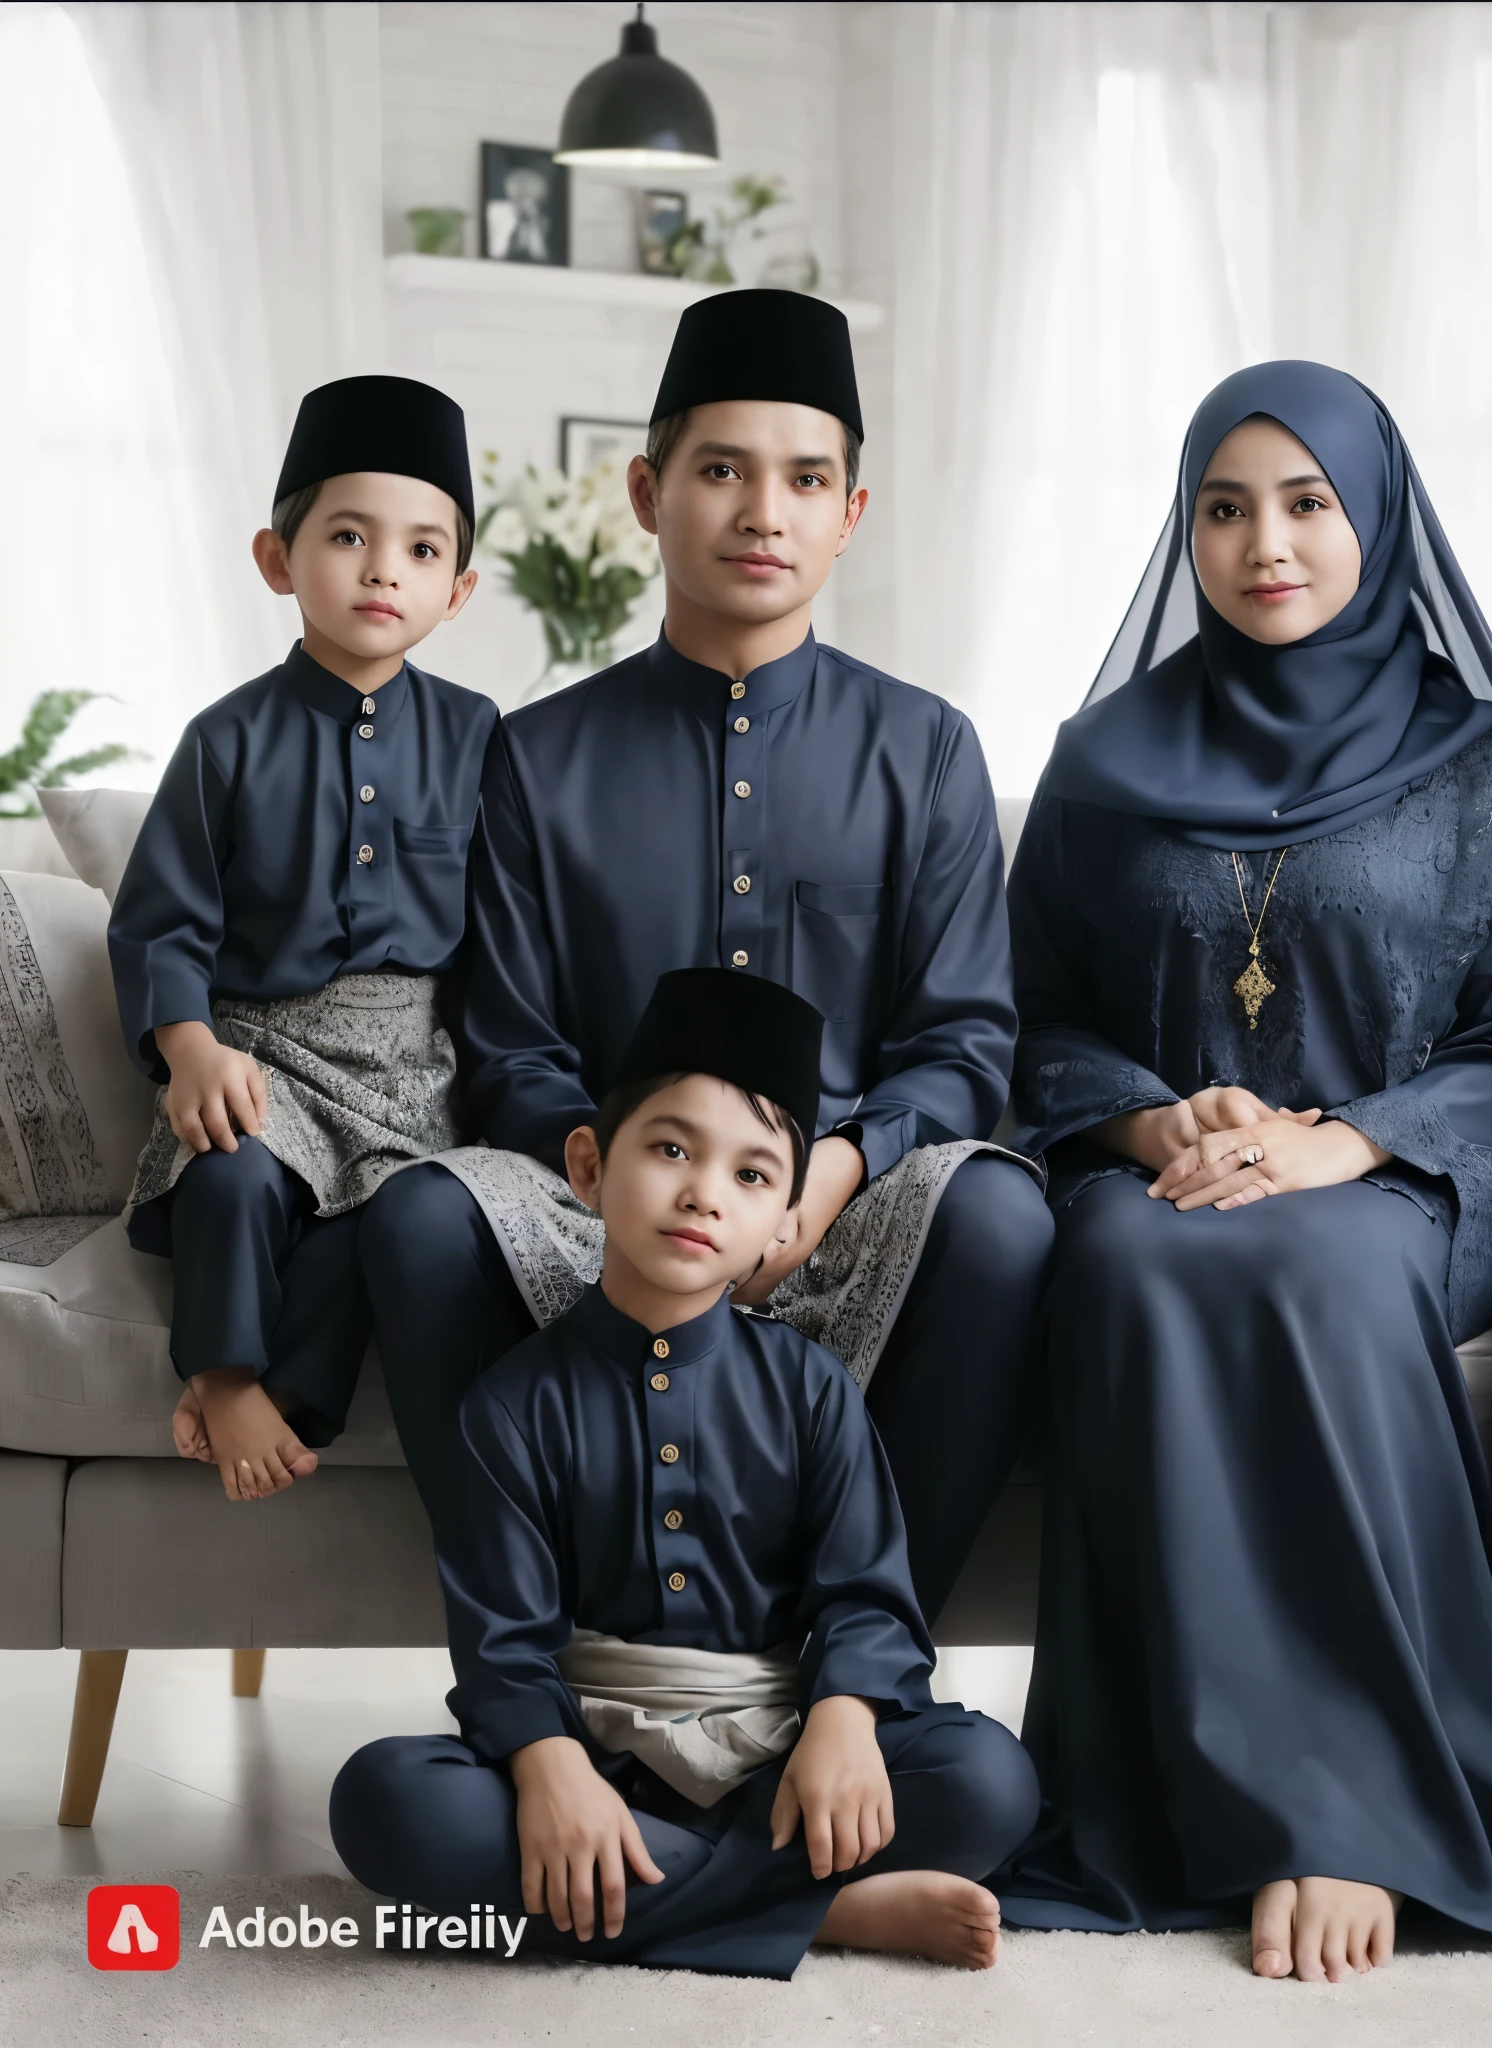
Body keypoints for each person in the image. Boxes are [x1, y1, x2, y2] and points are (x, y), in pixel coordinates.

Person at [995, 362, 1492, 1980]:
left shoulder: (1491, 770)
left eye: (1308, 501)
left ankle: (1352, 1810)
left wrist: (1345, 1139)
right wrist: (1144, 1120)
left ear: (1376, 517)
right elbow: (1027, 1011)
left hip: (1390, 1185)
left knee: (1321, 1264)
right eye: (1224, 506)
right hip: (1158, 1172)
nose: (1266, 543)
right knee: (1123, 1261)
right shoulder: (1102, 762)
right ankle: (1170, 1803)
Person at [357, 291, 1051, 1622]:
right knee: (424, 1217)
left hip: (837, 1225)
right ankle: (548, 1692)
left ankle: (859, 1677)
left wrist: (829, 1174)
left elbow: (963, 1047)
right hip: (599, 1209)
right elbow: (509, 1047)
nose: (762, 513)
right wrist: (629, 1177)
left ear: (852, 513)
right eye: (722, 469)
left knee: (1004, 1212)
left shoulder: (927, 753)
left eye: (805, 479)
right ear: (647, 491)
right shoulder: (538, 755)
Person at [331, 970, 1039, 1976]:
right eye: (669, 1148)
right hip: (590, 1752)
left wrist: (840, 1720)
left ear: (786, 1221)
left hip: (775, 1752)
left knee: (989, 1779)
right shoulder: (510, 1404)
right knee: (384, 1799)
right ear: (587, 1163)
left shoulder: (810, 1389)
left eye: (752, 1176)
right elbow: (503, 1641)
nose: (705, 1190)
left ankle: (649, 1896)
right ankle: (823, 1910)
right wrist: (548, 1767)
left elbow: (865, 1594)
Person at [107, 375, 497, 1500]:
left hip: (408, 1073)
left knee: (376, 1233)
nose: (385, 569)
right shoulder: (224, 738)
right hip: (259, 1056)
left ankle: (289, 1408)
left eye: (423, 550)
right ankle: (225, 1380)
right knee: (231, 1182)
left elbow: (500, 935)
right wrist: (190, 1049)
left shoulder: (478, 738)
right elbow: (161, 918)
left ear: (457, 589)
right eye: (347, 535)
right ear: (278, 558)